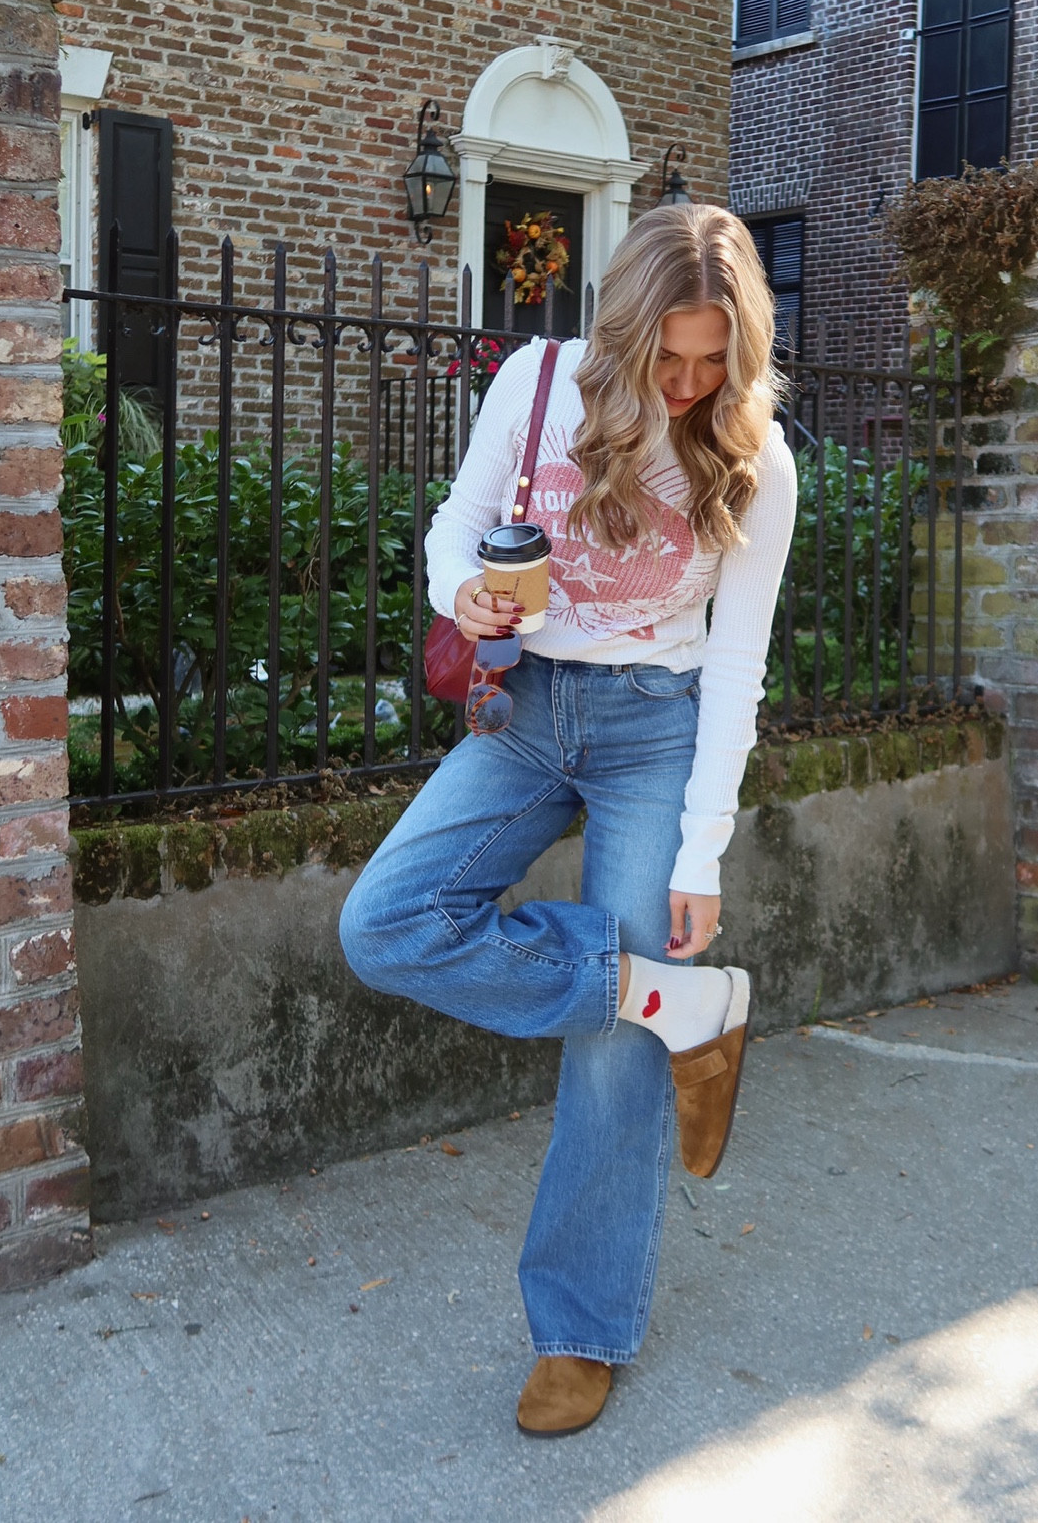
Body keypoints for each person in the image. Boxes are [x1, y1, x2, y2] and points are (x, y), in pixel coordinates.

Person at [339, 203, 797, 1437]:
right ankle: (664, 993)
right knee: (383, 923)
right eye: (671, 355)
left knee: (608, 1050)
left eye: (716, 358)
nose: (692, 381)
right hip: (526, 708)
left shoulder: (757, 455)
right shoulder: (535, 385)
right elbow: (449, 527)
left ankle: (580, 1327)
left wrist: (701, 846)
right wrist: (468, 593)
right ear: (624, 326)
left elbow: (738, 664)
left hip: (657, 725)